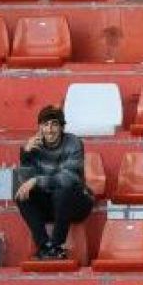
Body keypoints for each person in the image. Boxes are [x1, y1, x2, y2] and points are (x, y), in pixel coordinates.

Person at [13, 106, 92, 260]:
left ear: (62, 127)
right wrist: (26, 157)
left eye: (54, 124)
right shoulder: (34, 146)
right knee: (22, 195)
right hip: (50, 204)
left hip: (76, 202)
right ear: (40, 127)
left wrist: (37, 180)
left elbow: (69, 178)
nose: (49, 130)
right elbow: (25, 182)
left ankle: (57, 246)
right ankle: (44, 246)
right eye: (45, 125)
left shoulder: (74, 143)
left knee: (62, 191)